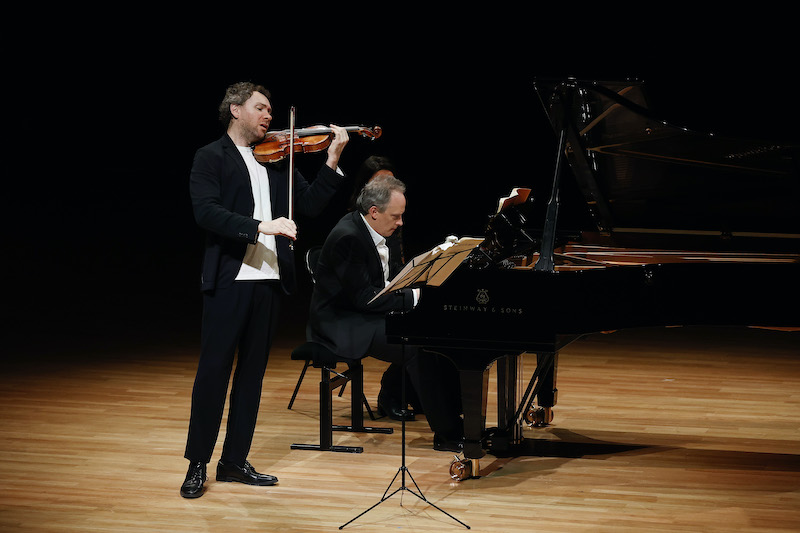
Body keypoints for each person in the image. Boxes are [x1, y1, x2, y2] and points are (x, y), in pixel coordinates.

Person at [181, 82, 349, 499]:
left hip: (270, 280)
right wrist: (261, 226)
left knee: (252, 377)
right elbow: (206, 211)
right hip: (230, 280)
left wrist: (331, 159)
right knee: (213, 374)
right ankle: (198, 463)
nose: (269, 117)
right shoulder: (210, 156)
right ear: (235, 110)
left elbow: (307, 204)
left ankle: (235, 460)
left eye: (271, 111)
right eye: (261, 109)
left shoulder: (277, 159)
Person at [307, 175, 463, 451]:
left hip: (363, 312)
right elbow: (366, 300)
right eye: (396, 216)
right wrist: (415, 296)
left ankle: (455, 416)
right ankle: (447, 434)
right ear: (374, 212)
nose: (401, 222)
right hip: (341, 324)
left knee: (437, 334)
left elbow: (388, 283)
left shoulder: (383, 231)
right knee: (415, 346)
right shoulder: (348, 238)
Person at [348, 156, 419, 421]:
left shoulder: (392, 220)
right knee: (412, 337)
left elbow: (397, 267)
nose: (385, 188)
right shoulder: (355, 227)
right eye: (379, 183)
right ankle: (390, 394)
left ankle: (414, 392)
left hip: (384, 295)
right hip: (363, 308)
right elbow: (364, 292)